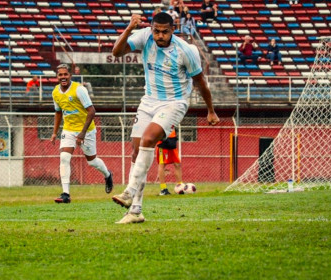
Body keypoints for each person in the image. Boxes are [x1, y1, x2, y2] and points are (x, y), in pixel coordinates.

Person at [111, 13, 219, 224]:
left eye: (165, 31)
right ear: (151, 28)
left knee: (148, 139)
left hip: (174, 102)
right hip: (149, 99)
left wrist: (211, 110)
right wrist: (129, 27)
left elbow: (201, 82)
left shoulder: (185, 51)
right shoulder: (144, 36)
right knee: (136, 151)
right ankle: (135, 211)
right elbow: (116, 52)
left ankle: (130, 191)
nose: (160, 35)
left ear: (173, 30)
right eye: (156, 31)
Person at [50, 64, 113, 204]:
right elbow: (58, 112)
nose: (63, 77)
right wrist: (54, 132)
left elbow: (92, 111)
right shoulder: (55, 92)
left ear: (70, 75)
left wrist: (82, 133)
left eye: (65, 74)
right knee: (64, 157)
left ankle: (108, 175)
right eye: (60, 75)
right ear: (57, 77)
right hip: (68, 129)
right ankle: (65, 194)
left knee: (92, 162)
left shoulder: (79, 89)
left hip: (87, 130)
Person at [156, 129, 183, 196]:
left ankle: (180, 187)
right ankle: (163, 189)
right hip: (163, 140)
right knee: (162, 164)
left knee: (177, 164)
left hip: (172, 140)